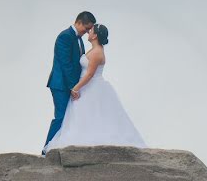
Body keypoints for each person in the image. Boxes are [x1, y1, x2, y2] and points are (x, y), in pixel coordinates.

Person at [43, 23, 146, 153]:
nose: (88, 32)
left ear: (95, 35)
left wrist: (76, 88)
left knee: (89, 115)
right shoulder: (95, 49)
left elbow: (90, 74)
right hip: (86, 86)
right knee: (82, 116)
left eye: (90, 30)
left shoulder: (97, 52)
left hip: (90, 87)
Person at [43, 11, 95, 154]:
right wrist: (74, 87)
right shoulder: (65, 36)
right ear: (79, 23)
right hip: (60, 85)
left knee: (70, 117)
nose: (87, 32)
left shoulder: (79, 39)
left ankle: (58, 149)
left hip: (70, 84)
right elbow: (66, 65)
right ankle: (46, 151)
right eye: (86, 28)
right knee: (61, 117)